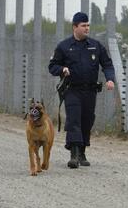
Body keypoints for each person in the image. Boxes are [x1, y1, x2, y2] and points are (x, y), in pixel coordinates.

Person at [48, 12, 115, 168]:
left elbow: (107, 64)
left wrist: (110, 79)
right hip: (72, 90)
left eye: (88, 25)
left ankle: (82, 152)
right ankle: (74, 155)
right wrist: (62, 69)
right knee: (74, 120)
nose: (87, 28)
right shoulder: (64, 46)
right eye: (83, 25)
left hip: (90, 91)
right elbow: (52, 66)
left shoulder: (95, 46)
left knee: (87, 121)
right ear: (75, 27)